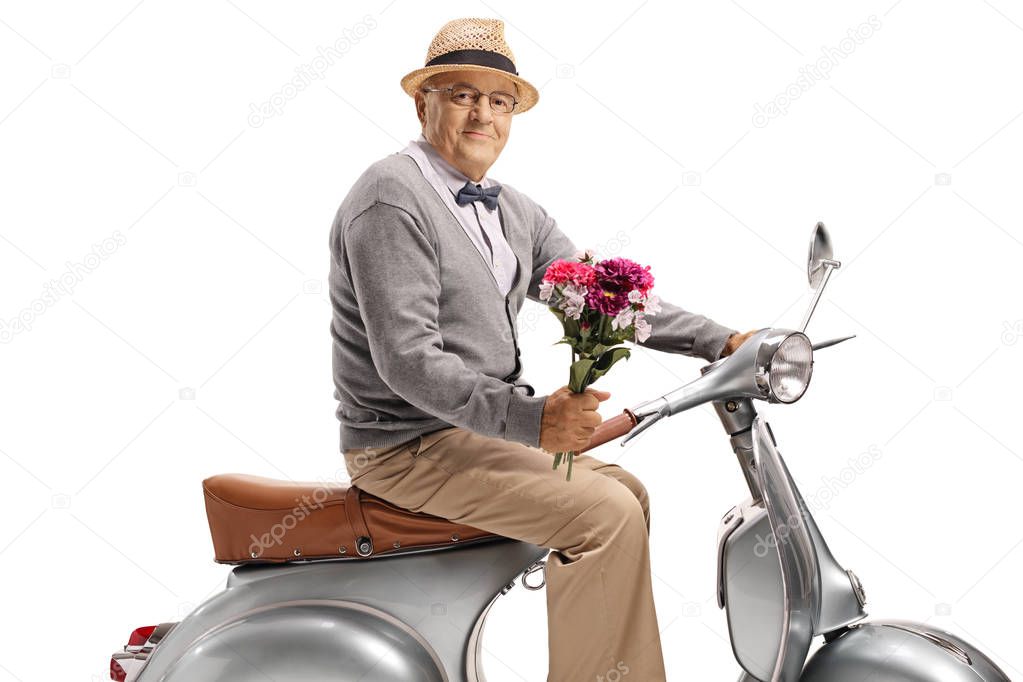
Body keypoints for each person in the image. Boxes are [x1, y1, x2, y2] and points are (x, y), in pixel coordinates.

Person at [328, 17, 757, 681]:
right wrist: (532, 421)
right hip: (404, 448)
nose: (482, 113)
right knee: (602, 513)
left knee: (625, 493)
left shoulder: (513, 212)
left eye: (499, 100)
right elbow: (406, 360)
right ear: (423, 103)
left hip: (467, 439)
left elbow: (600, 296)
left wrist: (724, 340)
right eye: (463, 94)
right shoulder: (391, 195)